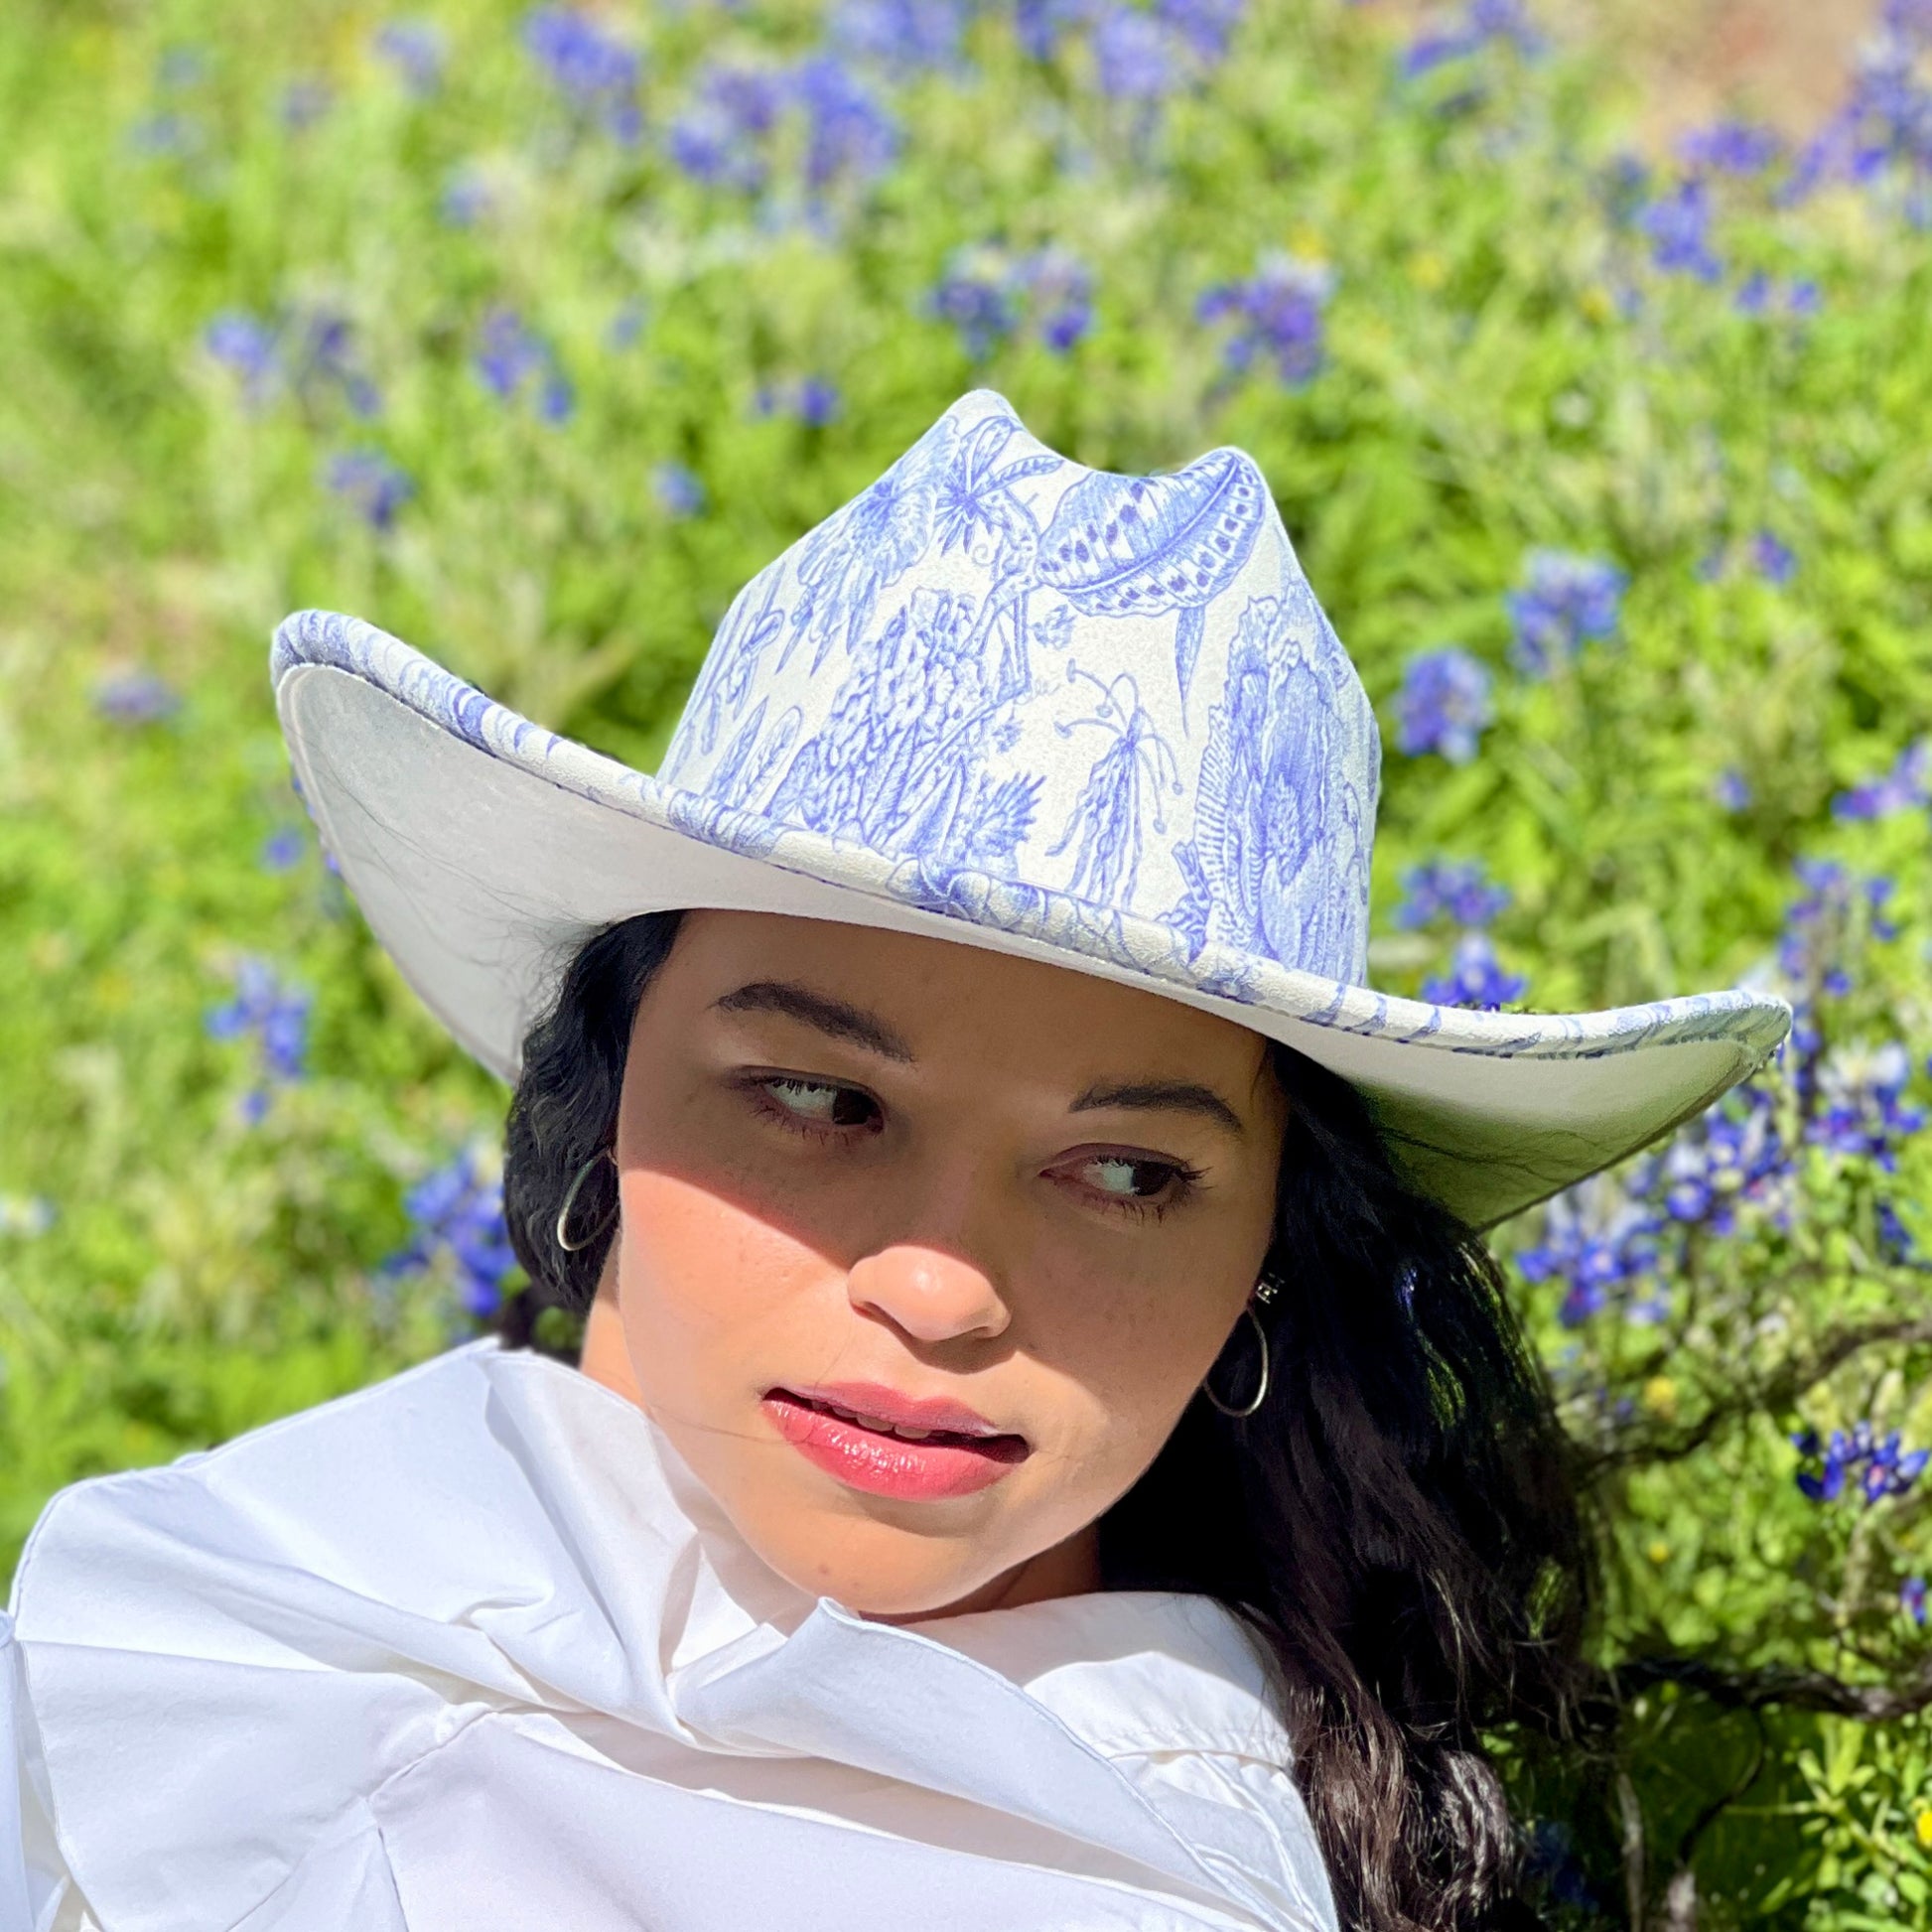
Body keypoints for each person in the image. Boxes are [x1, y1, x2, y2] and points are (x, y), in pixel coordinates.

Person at [1, 389, 1788, 1932]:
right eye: (820, 1097)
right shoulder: (215, 1617)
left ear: (1267, 1248)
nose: (938, 1287)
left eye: (1124, 1172)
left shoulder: (1206, 1846)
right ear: (604, 1081)